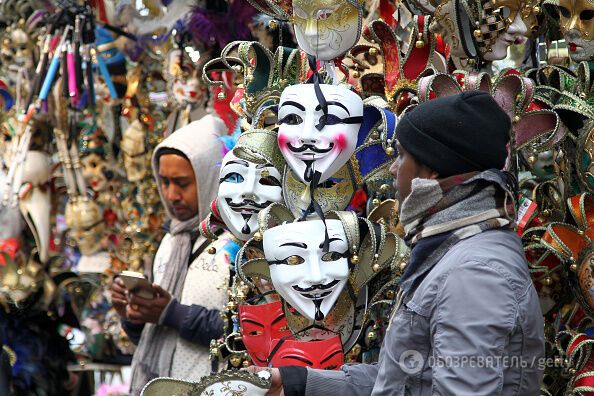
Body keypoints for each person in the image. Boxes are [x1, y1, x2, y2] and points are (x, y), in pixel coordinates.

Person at [252, 92, 545, 395]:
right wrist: (298, 384)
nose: (393, 168)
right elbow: (405, 379)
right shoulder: (450, 250)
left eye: (403, 155)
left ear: (432, 169)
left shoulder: (475, 273)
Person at [110, 115, 235, 394]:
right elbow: (153, 336)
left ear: (208, 177)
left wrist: (174, 313)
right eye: (164, 182)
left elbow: (249, 331)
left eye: (182, 183)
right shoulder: (171, 240)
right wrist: (134, 314)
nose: (171, 194)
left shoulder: (236, 243)